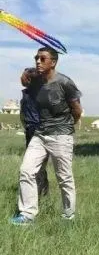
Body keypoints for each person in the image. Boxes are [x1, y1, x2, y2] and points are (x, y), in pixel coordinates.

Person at [11, 47, 82, 225]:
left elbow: (77, 110)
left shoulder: (65, 83)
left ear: (53, 62)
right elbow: (24, 79)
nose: (38, 61)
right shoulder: (37, 80)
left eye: (43, 59)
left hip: (60, 135)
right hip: (40, 134)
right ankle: (27, 215)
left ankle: (68, 216)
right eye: (36, 58)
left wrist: (65, 128)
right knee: (26, 171)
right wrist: (25, 72)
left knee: (64, 177)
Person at [19, 67, 49, 197]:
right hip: (30, 130)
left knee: (36, 166)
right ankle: (41, 193)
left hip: (39, 130)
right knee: (37, 166)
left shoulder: (40, 92)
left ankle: (39, 194)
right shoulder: (27, 92)